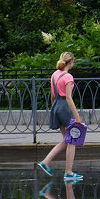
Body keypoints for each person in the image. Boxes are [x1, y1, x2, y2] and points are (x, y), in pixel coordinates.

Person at [37, 52, 85, 182]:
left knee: (67, 139)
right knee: (72, 140)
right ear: (70, 62)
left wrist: (55, 108)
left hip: (56, 105)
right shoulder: (68, 76)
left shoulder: (54, 74)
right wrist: (77, 116)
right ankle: (68, 172)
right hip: (64, 106)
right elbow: (69, 98)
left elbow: (53, 95)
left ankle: (46, 162)